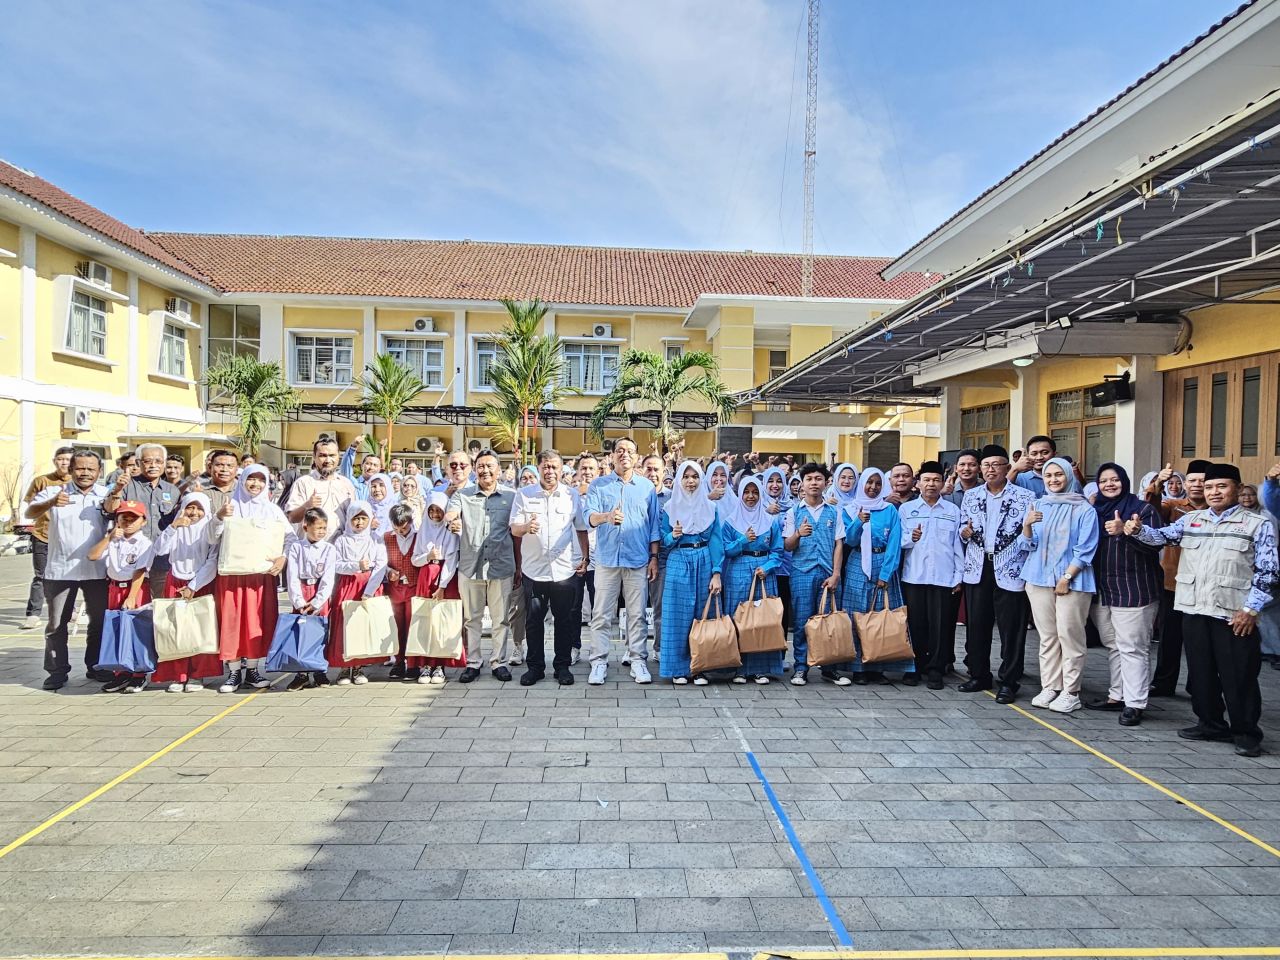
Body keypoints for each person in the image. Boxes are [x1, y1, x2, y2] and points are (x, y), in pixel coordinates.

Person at [1126, 463, 1279, 757]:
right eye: (1209, 487)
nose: (1214, 492)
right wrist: (1137, 530)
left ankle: (1246, 733)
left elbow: (1268, 573)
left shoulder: (1256, 524)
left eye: (1221, 486)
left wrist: (1251, 610)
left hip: (1234, 615)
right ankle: (1210, 723)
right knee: (1201, 672)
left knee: (1239, 676)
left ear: (1236, 488)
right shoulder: (1192, 520)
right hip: (1194, 609)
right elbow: (1162, 537)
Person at [1017, 457, 1099, 714]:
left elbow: (1086, 549)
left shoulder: (1084, 509)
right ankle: (1051, 686)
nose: (1053, 480)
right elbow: (1027, 546)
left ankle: (1071, 691)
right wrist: (1026, 526)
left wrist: (1066, 577)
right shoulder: (1037, 505)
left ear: (1069, 476)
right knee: (1048, 637)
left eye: (1058, 475)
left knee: (1070, 636)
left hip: (1072, 582)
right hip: (1038, 578)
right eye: (1049, 475)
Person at [26, 450, 112, 691]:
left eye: (91, 469)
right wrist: (50, 503)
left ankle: (96, 665)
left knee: (99, 622)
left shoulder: (105, 495)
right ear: (71, 470)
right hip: (60, 570)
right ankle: (56, 671)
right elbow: (29, 512)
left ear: (99, 471)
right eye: (80, 468)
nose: (85, 473)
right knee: (56, 624)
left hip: (97, 570)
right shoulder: (55, 492)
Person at [1087, 463, 1164, 725]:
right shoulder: (1094, 511)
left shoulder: (1142, 510)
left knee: (1133, 648)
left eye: (1115, 479)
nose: (1109, 484)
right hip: (1101, 591)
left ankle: (1135, 703)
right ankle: (1117, 696)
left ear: (1125, 481)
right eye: (1104, 480)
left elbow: (1156, 546)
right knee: (1113, 646)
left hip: (1134, 591)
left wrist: (1127, 532)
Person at [958, 444, 1034, 703]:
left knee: (1011, 629)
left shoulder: (1024, 497)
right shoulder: (971, 496)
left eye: (996, 465)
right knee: (977, 625)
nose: (991, 470)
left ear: (1007, 467)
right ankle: (979, 675)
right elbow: (962, 528)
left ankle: (1009, 680)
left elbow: (1030, 535)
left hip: (1010, 568)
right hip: (977, 567)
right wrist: (964, 533)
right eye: (986, 466)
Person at [584, 438, 660, 685]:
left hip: (637, 559)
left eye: (629, 451)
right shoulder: (599, 485)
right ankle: (598, 662)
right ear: (612, 456)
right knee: (601, 615)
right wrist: (606, 516)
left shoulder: (647, 488)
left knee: (637, 615)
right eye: (619, 451)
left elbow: (654, 527)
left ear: (637, 457)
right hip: (607, 560)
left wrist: (654, 557)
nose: (624, 454)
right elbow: (589, 519)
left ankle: (638, 660)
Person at [510, 450, 588, 686]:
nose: (550, 471)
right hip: (534, 570)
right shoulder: (524, 495)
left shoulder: (571, 495)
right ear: (539, 468)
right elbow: (514, 528)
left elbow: (581, 528)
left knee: (564, 620)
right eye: (545, 466)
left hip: (564, 570)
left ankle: (562, 666)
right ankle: (535, 667)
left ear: (562, 469)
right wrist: (525, 527)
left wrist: (585, 556)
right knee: (534, 620)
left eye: (554, 467)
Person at [211, 464, 292, 692]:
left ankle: (254, 670)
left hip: (260, 577)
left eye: (260, 480)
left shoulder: (272, 510)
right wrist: (218, 518)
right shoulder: (229, 507)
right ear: (242, 480)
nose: (255, 484)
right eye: (250, 479)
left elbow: (290, 538)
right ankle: (234, 671)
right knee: (232, 621)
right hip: (232, 577)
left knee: (256, 622)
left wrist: (281, 558)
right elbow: (211, 538)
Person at [446, 450, 517, 683]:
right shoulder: (463, 495)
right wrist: (453, 520)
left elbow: (516, 534)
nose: (485, 470)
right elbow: (451, 513)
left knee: (501, 619)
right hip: (470, 566)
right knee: (472, 619)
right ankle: (473, 663)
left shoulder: (511, 496)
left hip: (501, 565)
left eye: (490, 466)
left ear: (498, 469)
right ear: (474, 469)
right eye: (481, 466)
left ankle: (499, 662)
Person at [1145, 460, 1210, 697]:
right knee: (1170, 636)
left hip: (1205, 584)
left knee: (1200, 640)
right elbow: (1151, 510)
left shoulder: (1217, 511)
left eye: (1202, 481)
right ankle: (1163, 683)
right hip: (1173, 581)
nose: (1197, 485)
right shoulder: (1174, 506)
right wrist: (1158, 483)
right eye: (1192, 480)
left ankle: (1199, 685)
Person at [842, 468, 911, 685]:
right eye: (869, 483)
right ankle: (859, 668)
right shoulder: (850, 509)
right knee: (857, 614)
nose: (873, 487)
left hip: (883, 562)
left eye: (877, 483)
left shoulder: (889, 509)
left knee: (882, 615)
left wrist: (886, 573)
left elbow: (894, 543)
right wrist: (858, 522)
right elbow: (850, 541)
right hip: (857, 564)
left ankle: (879, 666)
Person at [899, 461, 964, 690]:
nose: (931, 484)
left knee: (940, 625)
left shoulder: (953, 511)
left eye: (936, 479)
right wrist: (911, 538)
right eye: (926, 480)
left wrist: (958, 576)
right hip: (914, 577)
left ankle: (935, 669)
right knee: (915, 625)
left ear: (942, 482)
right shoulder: (906, 510)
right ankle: (914, 667)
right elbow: (898, 542)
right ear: (918, 483)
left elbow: (958, 546)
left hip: (943, 577)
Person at [658, 461, 724, 684]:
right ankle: (678, 668)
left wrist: (716, 572)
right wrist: (673, 536)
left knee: (702, 613)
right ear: (679, 480)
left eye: (695, 477)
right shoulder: (669, 508)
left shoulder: (711, 507)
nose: (690, 481)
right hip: (679, 559)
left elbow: (716, 540)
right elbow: (663, 541)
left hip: (704, 558)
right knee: (678, 615)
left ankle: (701, 667)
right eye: (686, 477)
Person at [151, 492, 223, 693]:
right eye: (190, 507)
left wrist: (193, 585)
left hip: (200, 583)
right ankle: (178, 673)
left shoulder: (209, 530)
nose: (194, 512)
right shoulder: (176, 527)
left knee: (200, 629)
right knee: (175, 629)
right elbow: (160, 550)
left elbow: (212, 561)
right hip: (175, 581)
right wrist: (174, 528)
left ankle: (198, 674)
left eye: (199, 508)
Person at [783, 462, 844, 686]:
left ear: (826, 483)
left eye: (818, 479)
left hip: (827, 573)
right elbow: (787, 546)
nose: (814, 483)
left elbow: (839, 544)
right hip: (801, 573)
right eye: (809, 479)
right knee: (801, 622)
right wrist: (798, 533)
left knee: (828, 621)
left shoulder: (833, 511)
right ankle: (801, 668)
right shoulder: (793, 512)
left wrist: (836, 573)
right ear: (802, 484)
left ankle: (829, 667)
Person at [721, 476, 785, 683]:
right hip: (738, 570)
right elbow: (725, 550)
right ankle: (739, 667)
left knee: (763, 620)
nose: (751, 496)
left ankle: (761, 668)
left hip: (763, 573)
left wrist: (767, 567)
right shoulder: (730, 521)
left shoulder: (770, 521)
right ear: (740, 494)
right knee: (740, 617)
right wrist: (742, 540)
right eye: (746, 492)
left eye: (755, 492)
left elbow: (778, 551)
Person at [87, 500, 155, 693]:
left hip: (135, 589)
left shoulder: (144, 543)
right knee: (116, 630)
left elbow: (140, 570)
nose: (129, 522)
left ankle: (139, 674)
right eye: (124, 517)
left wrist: (132, 596)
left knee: (136, 631)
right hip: (114, 588)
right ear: (117, 519)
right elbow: (92, 555)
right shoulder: (113, 540)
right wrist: (108, 538)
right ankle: (121, 672)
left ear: (143, 521)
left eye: (134, 518)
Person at [102, 443, 182, 600]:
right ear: (138, 463)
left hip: (161, 561)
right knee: (132, 605)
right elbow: (109, 510)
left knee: (159, 605)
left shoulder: (172, 490)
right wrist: (117, 490)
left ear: (164, 463)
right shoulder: (126, 485)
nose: (153, 465)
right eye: (148, 461)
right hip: (129, 561)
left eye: (158, 461)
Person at [325, 501, 388, 685]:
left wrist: (369, 591)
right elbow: (335, 564)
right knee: (345, 624)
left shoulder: (374, 540)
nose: (359, 523)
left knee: (362, 626)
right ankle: (345, 667)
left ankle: (360, 666)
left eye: (363, 518)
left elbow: (380, 566)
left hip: (368, 585)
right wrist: (355, 566)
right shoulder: (342, 540)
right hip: (347, 585)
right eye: (355, 519)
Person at [411, 492, 465, 684]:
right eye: (431, 510)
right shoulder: (423, 531)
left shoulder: (450, 532)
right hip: (426, 577)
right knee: (424, 620)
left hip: (444, 579)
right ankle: (424, 664)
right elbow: (414, 559)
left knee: (443, 621)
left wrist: (442, 585)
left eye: (439, 511)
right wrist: (427, 556)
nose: (435, 514)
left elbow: (451, 559)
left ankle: (440, 664)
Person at [19, 446, 74, 630]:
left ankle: (69, 608)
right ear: (54, 461)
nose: (64, 462)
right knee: (40, 576)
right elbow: (31, 506)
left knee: (69, 574)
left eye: (68, 459)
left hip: (68, 538)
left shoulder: (77, 481)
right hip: (43, 535)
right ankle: (33, 614)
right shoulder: (42, 481)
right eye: (60, 459)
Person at [286, 508, 338, 690]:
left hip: (318, 592)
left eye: (324, 528)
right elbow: (291, 576)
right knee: (300, 633)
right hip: (301, 590)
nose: (321, 532)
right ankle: (301, 673)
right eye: (318, 528)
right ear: (305, 526)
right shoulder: (296, 548)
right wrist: (299, 601)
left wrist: (318, 601)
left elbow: (328, 578)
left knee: (319, 632)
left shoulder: (329, 549)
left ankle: (319, 670)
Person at [285, 437, 358, 540]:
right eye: (323, 456)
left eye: (332, 455)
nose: (328, 460)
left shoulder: (346, 484)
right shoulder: (304, 483)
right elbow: (292, 518)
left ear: (338, 457)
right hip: (311, 549)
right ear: (314, 457)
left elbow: (352, 518)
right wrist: (307, 506)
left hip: (339, 549)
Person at [571, 454, 601, 664]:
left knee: (599, 609)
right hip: (573, 559)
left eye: (591, 469)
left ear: (598, 472)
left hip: (600, 560)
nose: (587, 472)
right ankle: (573, 647)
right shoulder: (570, 495)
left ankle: (598, 650)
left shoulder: (604, 494)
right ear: (577, 472)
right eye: (584, 468)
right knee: (572, 607)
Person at [762, 466, 795, 640]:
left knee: (781, 608)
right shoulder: (757, 504)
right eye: (771, 481)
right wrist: (766, 512)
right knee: (763, 609)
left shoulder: (791, 506)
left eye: (779, 481)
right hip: (764, 565)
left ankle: (780, 653)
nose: (775, 485)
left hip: (786, 565)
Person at [643, 454, 669, 657]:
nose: (652, 474)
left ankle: (659, 648)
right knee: (634, 610)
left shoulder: (672, 498)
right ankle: (633, 650)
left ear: (664, 472)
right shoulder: (636, 494)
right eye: (648, 469)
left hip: (663, 560)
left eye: (656, 470)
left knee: (659, 606)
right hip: (636, 558)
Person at [197, 449, 239, 515]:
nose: (225, 470)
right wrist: (195, 497)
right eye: (219, 465)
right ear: (210, 467)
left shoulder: (244, 490)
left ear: (237, 469)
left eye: (230, 466)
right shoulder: (198, 489)